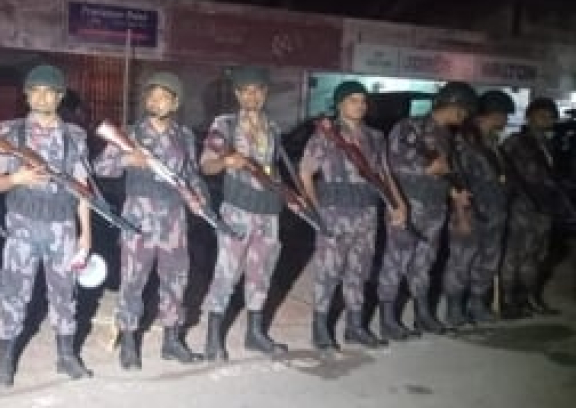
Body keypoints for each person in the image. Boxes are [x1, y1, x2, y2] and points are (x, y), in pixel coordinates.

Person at [0, 64, 93, 386]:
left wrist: (86, 234)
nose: (42, 97)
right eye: (36, 91)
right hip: (23, 225)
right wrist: (15, 178)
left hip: (62, 226)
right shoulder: (11, 134)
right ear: (27, 95)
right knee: (14, 292)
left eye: (49, 92)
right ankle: (4, 362)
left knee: (64, 292)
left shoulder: (75, 137)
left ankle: (66, 356)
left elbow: (82, 187)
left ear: (60, 97)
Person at [95, 71, 204, 370]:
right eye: (152, 97)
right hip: (138, 218)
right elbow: (100, 168)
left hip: (174, 218)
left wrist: (199, 198)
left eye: (163, 97)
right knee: (133, 280)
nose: (156, 102)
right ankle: (129, 342)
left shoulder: (184, 136)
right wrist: (126, 159)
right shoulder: (130, 134)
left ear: (175, 103)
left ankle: (172, 341)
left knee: (176, 280)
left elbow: (192, 175)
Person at [300, 80, 406, 350]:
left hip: (366, 213)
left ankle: (355, 327)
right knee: (328, 273)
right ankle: (320, 329)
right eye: (353, 100)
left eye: (363, 101)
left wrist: (398, 204)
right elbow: (305, 173)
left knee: (359, 272)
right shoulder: (326, 134)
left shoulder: (375, 137)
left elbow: (384, 174)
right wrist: (315, 210)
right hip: (334, 213)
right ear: (339, 104)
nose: (360, 106)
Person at [200, 66, 288, 360]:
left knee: (261, 274)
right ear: (238, 94)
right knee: (227, 273)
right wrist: (226, 163)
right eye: (246, 91)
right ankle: (213, 339)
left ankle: (255, 334)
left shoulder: (273, 127)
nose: (253, 96)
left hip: (268, 212)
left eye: (258, 90)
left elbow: (273, 168)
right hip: (238, 210)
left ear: (265, 93)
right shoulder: (225, 125)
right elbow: (206, 165)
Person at [377, 81, 477, 339]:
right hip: (408, 203)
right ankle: (387, 318)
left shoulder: (447, 136)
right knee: (396, 260)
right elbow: (389, 165)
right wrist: (427, 170)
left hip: (435, 206)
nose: (465, 116)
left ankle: (422, 314)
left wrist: (456, 192)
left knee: (424, 263)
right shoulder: (409, 126)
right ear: (453, 104)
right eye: (464, 110)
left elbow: (449, 173)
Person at [443, 91, 514, 327]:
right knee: (461, 262)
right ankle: (454, 308)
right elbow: (457, 183)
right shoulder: (464, 143)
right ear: (491, 115)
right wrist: (461, 217)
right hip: (471, 212)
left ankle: (477, 305)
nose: (505, 120)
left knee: (488, 262)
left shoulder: (492, 143)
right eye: (503, 115)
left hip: (495, 212)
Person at [501, 97, 562, 317]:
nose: (547, 119)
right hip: (521, 207)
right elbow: (504, 174)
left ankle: (529, 298)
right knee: (514, 255)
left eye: (550, 116)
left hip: (543, 208)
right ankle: (508, 301)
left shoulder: (549, 145)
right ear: (529, 117)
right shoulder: (516, 142)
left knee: (536, 256)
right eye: (541, 115)